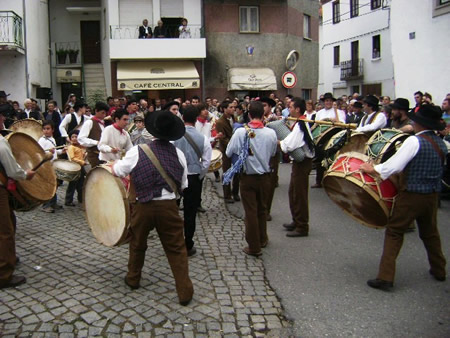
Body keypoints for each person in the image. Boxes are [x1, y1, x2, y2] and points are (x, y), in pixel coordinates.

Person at [360, 104, 448, 290]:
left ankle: (385, 277)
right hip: (432, 195)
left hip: (412, 195)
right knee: (430, 233)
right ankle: (439, 269)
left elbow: (394, 166)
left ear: (418, 122)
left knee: (394, 231)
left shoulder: (414, 141)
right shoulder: (441, 143)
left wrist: (373, 168)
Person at [112, 110, 193, 306]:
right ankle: (184, 292)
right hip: (168, 207)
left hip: (144, 205)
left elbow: (118, 170)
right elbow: (184, 185)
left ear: (153, 131)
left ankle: (133, 278)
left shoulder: (137, 151)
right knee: (176, 249)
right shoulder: (179, 154)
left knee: (138, 243)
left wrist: (115, 163)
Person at [225, 101, 277, 256]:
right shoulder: (271, 133)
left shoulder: (241, 132)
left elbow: (228, 152)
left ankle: (254, 247)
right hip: (265, 176)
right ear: (263, 115)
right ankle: (262, 238)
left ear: (248, 115)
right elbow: (273, 153)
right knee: (262, 209)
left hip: (248, 177)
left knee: (251, 212)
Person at [0, 106, 35, 289]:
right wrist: (26, 174)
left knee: (9, 222)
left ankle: (8, 257)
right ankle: (4, 274)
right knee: (5, 232)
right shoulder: (1, 142)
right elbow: (13, 170)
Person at [174, 105, 212, 256]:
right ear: (196, 119)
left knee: (173, 210)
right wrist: (199, 175)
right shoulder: (203, 138)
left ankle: (173, 241)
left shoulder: (174, 137)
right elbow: (206, 163)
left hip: (176, 178)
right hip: (193, 178)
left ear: (182, 118)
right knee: (190, 213)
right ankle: (188, 244)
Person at [280, 98, 315, 237]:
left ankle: (302, 226)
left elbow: (290, 144)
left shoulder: (301, 124)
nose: (289, 110)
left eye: (291, 107)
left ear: (298, 109)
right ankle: (296, 220)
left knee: (299, 195)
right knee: (293, 192)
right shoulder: (300, 122)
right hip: (299, 163)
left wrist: (279, 142)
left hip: (302, 163)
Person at [216, 100, 240, 203]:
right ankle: (227, 195)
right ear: (224, 109)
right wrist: (233, 143)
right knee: (227, 172)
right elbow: (222, 138)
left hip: (236, 150)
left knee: (238, 171)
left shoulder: (235, 119)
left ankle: (235, 192)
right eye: (230, 107)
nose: (233, 109)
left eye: (233, 107)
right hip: (226, 150)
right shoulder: (220, 122)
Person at [38, 121, 64, 213]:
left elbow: (55, 151)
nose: (46, 131)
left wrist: (61, 151)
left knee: (54, 184)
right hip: (46, 165)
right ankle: (46, 205)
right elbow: (40, 153)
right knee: (49, 186)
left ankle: (53, 203)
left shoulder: (52, 139)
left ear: (52, 130)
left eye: (48, 129)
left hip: (53, 164)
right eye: (44, 129)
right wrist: (49, 153)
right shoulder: (42, 141)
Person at [78, 101, 109, 168]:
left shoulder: (103, 123)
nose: (104, 115)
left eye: (105, 113)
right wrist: (96, 142)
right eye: (102, 113)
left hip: (103, 155)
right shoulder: (89, 122)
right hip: (94, 155)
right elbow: (81, 138)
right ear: (96, 111)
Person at [65, 130, 86, 207]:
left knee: (81, 184)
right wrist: (82, 162)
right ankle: (68, 200)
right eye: (72, 137)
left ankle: (81, 198)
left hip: (80, 168)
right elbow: (72, 158)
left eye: (76, 137)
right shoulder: (71, 147)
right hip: (74, 168)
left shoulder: (79, 147)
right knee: (72, 185)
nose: (74, 138)